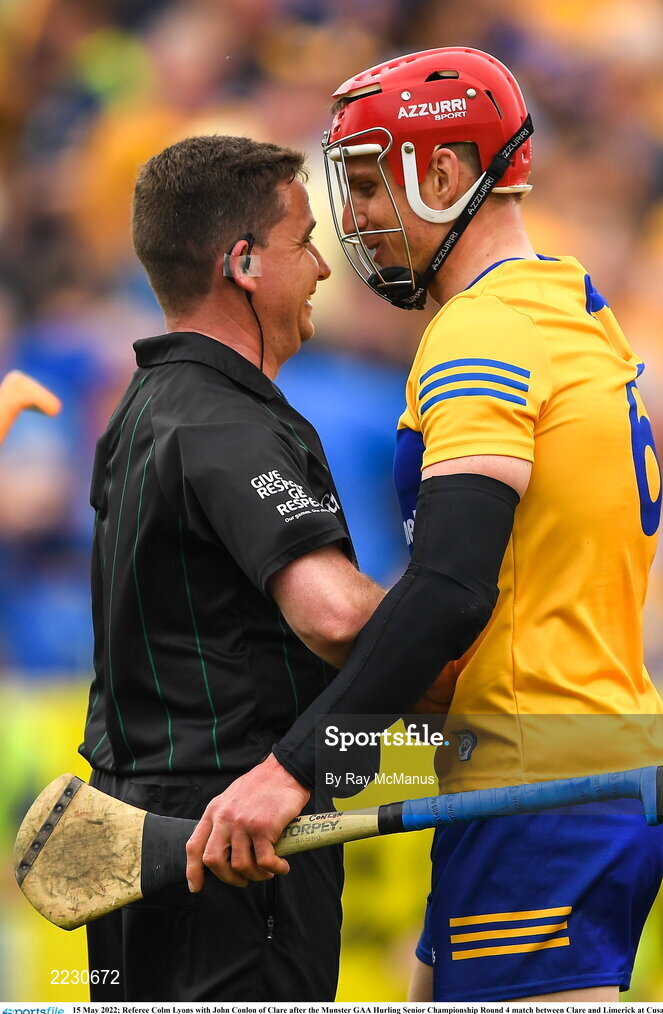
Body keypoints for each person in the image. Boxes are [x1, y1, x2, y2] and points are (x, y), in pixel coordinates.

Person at [185, 50, 663, 1003]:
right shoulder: (564, 303)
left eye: (370, 181)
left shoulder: (481, 331)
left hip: (543, 779)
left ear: (445, 173)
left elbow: (453, 587)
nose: (355, 214)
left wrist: (296, 770)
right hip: (575, 763)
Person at [78, 134, 386, 1002]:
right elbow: (336, 616)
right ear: (243, 263)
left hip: (138, 842)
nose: (323, 270)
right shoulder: (225, 421)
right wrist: (455, 615)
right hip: (235, 844)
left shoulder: (142, 408)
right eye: (304, 244)